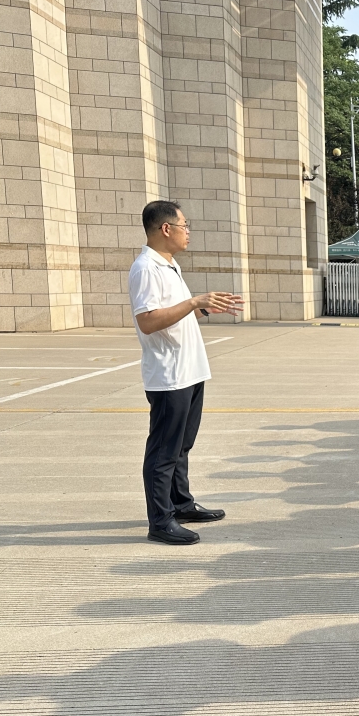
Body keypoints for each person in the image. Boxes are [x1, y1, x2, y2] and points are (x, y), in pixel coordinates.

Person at [129, 201, 244, 545]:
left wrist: (202, 309)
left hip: (189, 371)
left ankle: (180, 504)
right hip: (169, 375)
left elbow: (172, 314)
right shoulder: (146, 268)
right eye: (184, 225)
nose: (188, 231)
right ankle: (160, 521)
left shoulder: (169, 264)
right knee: (164, 451)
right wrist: (194, 302)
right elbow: (148, 320)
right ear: (166, 229)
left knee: (181, 446)